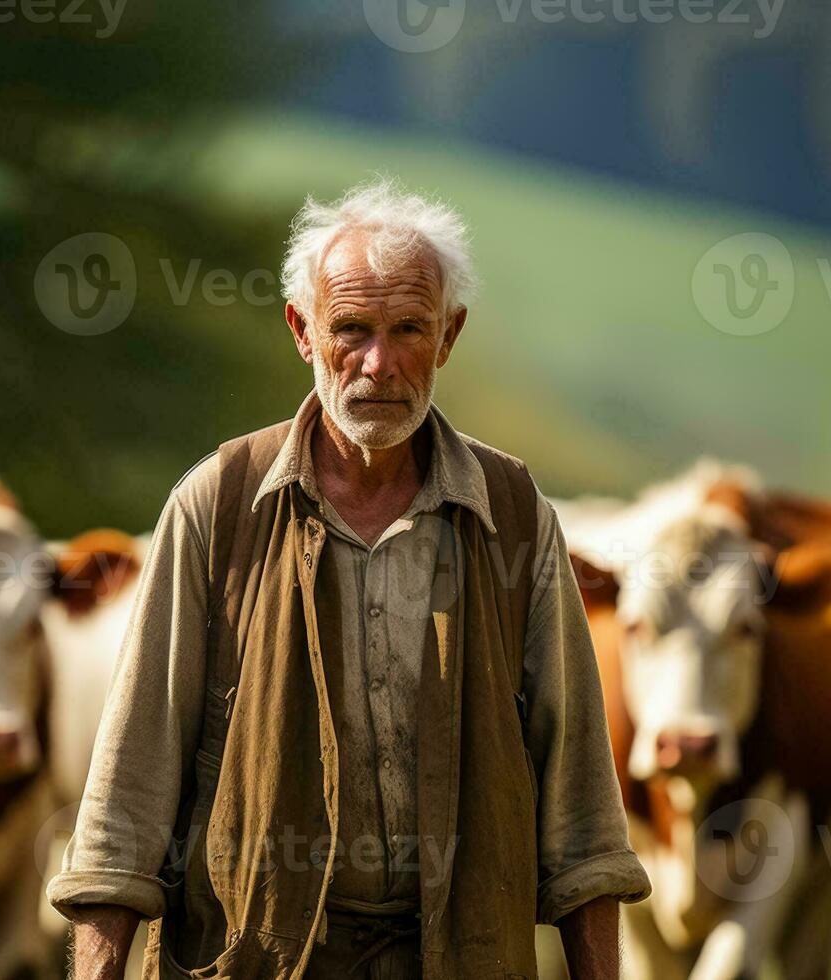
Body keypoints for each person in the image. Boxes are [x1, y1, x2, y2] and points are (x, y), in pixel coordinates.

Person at [47, 178, 649, 979]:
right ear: (302, 330)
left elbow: (579, 797)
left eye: (409, 329)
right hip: (255, 958)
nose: (380, 363)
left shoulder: (512, 514)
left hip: (460, 956)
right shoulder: (219, 504)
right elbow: (132, 779)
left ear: (449, 335)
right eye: (352, 329)